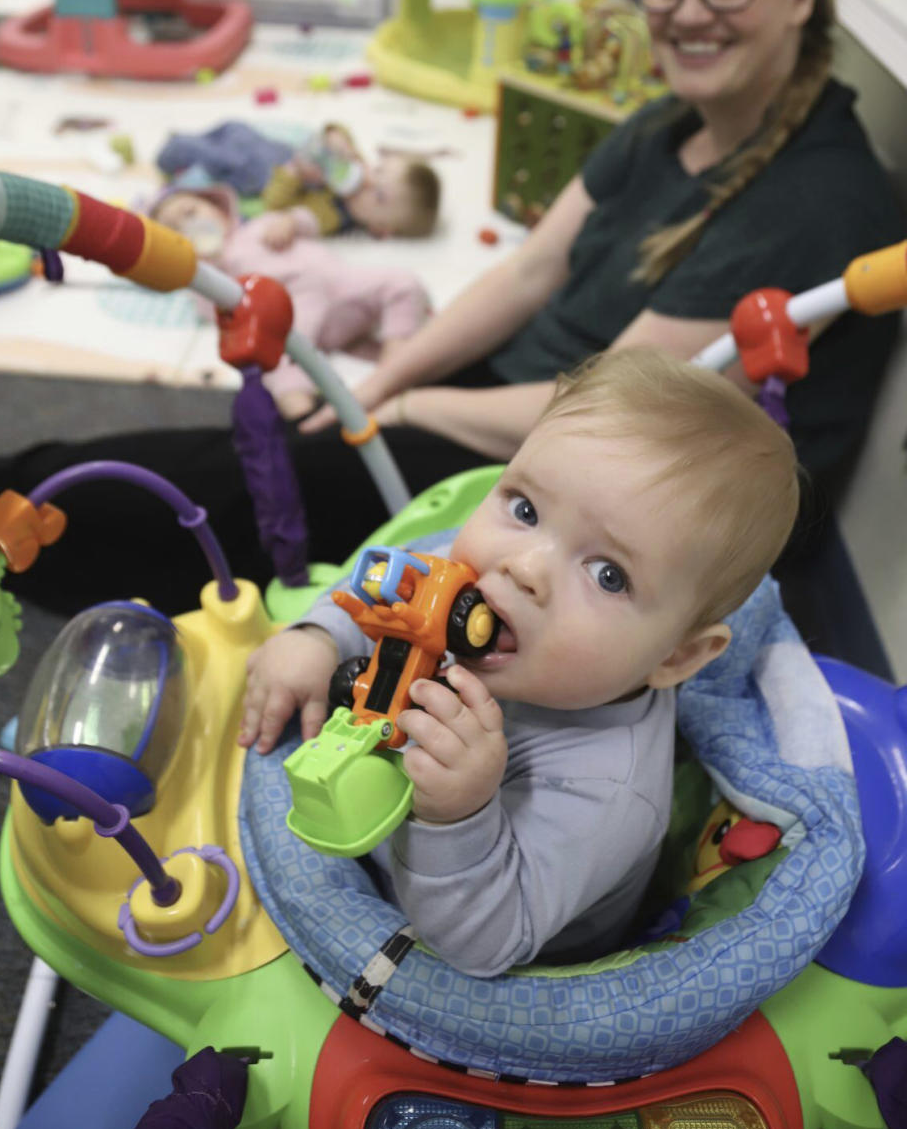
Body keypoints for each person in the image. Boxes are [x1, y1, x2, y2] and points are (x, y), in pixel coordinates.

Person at [0, 0, 902, 621]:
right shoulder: (670, 123)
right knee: (267, 443)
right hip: (512, 411)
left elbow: (606, 426)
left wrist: (407, 410)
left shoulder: (815, 199)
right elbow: (531, 270)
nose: (689, 11)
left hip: (577, 487)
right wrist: (386, 378)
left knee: (225, 492)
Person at [240, 348, 799, 976]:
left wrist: (461, 812)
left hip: (471, 960)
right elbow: (400, 577)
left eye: (608, 574)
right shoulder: (486, 580)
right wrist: (319, 635)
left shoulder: (606, 787)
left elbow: (482, 946)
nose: (524, 568)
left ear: (675, 655)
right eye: (526, 510)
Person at [151, 184, 432, 420]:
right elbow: (217, 313)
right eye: (175, 229)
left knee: (403, 282)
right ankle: (304, 421)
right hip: (294, 310)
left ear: (218, 208)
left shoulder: (261, 224)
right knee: (275, 364)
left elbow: (310, 222)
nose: (189, 225)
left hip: (339, 282)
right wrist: (208, 271)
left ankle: (392, 376)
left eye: (190, 212)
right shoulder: (208, 273)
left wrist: (290, 222)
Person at [260, 124, 441, 247]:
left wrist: (294, 172)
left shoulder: (331, 215)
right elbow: (334, 129)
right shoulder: (354, 163)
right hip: (276, 144)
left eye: (379, 196)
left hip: (258, 170)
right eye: (379, 170)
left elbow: (275, 205)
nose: (369, 180)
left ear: (379, 227)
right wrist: (338, 140)